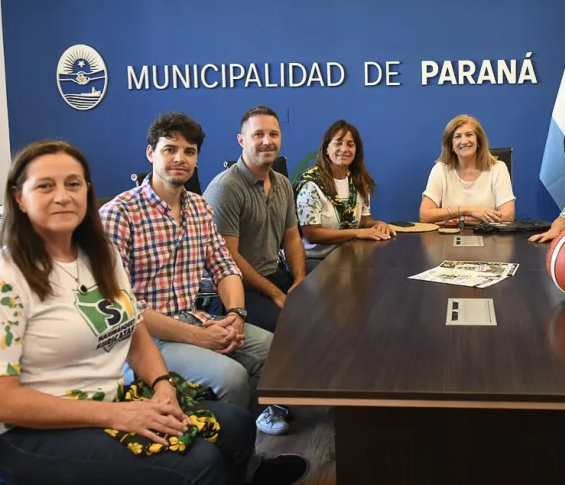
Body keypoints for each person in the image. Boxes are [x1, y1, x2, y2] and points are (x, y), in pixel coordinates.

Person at [0, 140, 304, 485]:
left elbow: (134, 329)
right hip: (28, 433)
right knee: (201, 463)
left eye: (73, 184)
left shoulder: (98, 258)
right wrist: (117, 414)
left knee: (236, 427)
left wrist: (162, 384)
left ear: (87, 191)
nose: (62, 196)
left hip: (111, 399)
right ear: (19, 197)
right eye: (45, 186)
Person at [100, 112, 296, 439]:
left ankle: (248, 448)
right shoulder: (119, 214)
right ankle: (220, 462)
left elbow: (225, 266)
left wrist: (235, 314)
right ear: (151, 153)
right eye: (169, 149)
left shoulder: (198, 207)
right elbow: (121, 307)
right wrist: (198, 337)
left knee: (271, 350)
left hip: (195, 318)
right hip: (145, 339)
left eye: (189, 151)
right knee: (231, 377)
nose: (180, 158)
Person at [203, 106, 306, 333]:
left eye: (273, 134)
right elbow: (229, 257)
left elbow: (292, 239)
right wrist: (276, 295)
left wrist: (299, 281)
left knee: (324, 311)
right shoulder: (226, 188)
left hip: (276, 276)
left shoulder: (283, 184)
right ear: (241, 140)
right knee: (287, 326)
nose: (267, 141)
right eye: (258, 134)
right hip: (238, 288)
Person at [294, 119, 396, 272]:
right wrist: (357, 232)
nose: (344, 149)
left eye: (350, 144)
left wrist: (376, 225)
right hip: (313, 259)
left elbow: (364, 220)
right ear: (326, 149)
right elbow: (311, 234)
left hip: (347, 253)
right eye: (338, 143)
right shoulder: (311, 184)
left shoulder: (359, 181)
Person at [419, 114, 515, 226]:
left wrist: (459, 219)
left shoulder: (498, 168)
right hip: (448, 240)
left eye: (469, 135)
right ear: (451, 145)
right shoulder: (440, 170)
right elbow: (424, 215)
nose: (464, 141)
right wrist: (469, 210)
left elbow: (508, 216)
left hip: (491, 238)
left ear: (478, 141)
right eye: (457, 136)